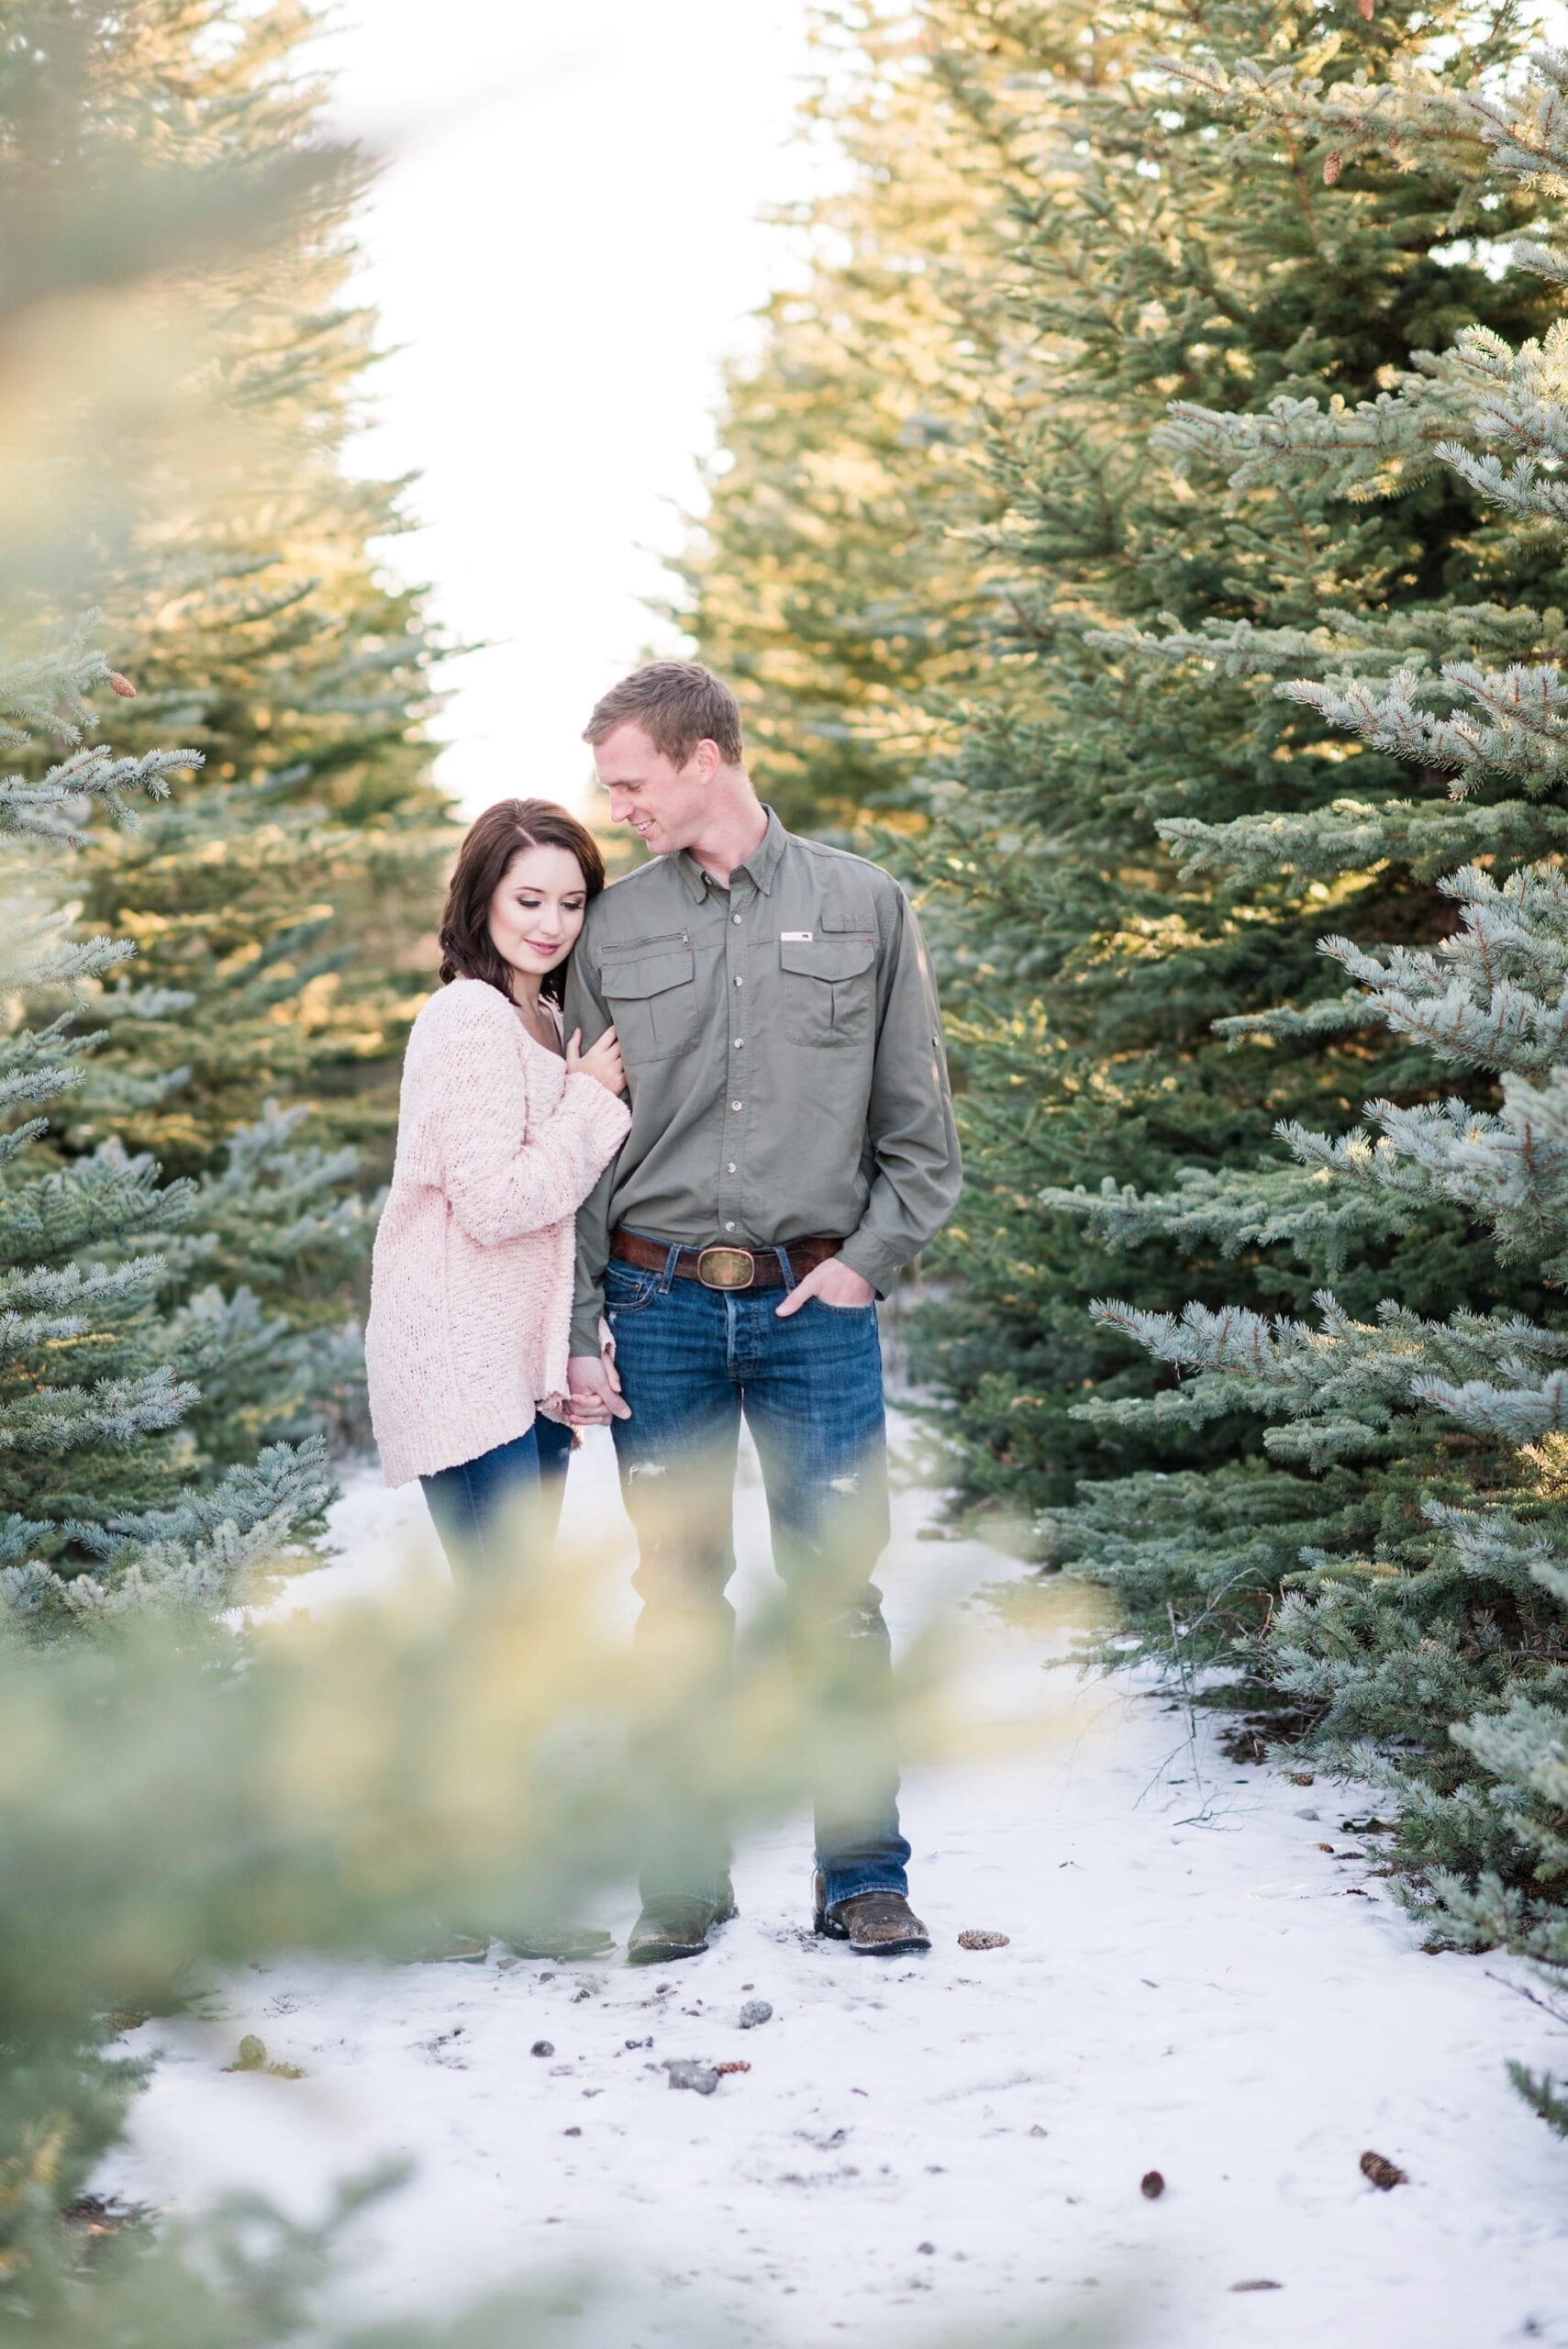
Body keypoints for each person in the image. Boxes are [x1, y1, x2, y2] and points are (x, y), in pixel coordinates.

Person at [564, 662, 962, 1965]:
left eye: (628, 781)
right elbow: (576, 1144)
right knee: (676, 1598)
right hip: (657, 1302)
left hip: (812, 1308)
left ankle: (864, 1879)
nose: (613, 806)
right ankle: (681, 1881)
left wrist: (863, 1262)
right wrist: (582, 1321)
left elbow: (920, 1136)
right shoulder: (610, 932)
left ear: (704, 757)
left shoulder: (864, 902)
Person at [366, 799, 630, 1964]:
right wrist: (592, 1105)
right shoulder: (468, 1019)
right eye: (528, 899)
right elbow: (497, 1201)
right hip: (455, 1362)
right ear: (478, 898)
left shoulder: (544, 1018)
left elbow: (550, 1225)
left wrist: (568, 1353)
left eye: (571, 902)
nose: (550, 922)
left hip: (513, 1370)